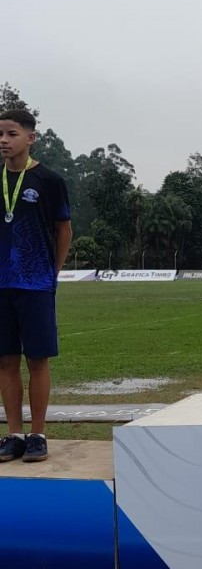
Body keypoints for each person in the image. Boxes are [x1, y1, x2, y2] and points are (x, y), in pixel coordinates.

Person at [0, 109, 72, 463]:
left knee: (37, 359)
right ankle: (13, 433)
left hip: (36, 285)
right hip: (1, 285)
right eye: (0, 134)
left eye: (11, 134)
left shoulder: (49, 180)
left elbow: (64, 231)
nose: (3, 140)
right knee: (5, 361)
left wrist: (51, 274)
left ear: (30, 138)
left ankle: (38, 434)